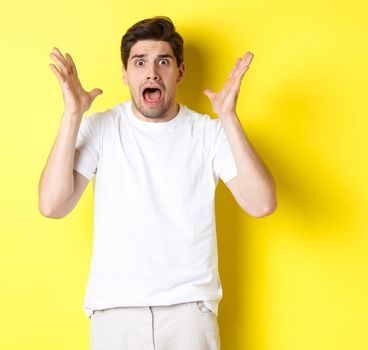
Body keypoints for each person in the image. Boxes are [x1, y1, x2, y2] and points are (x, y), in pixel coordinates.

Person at [37, 16, 277, 349]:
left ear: (179, 72)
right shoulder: (101, 129)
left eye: (163, 61)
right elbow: (52, 205)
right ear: (125, 74)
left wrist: (229, 118)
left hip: (189, 315)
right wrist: (72, 115)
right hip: (114, 314)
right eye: (140, 62)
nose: (152, 72)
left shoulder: (209, 133)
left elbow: (262, 203)